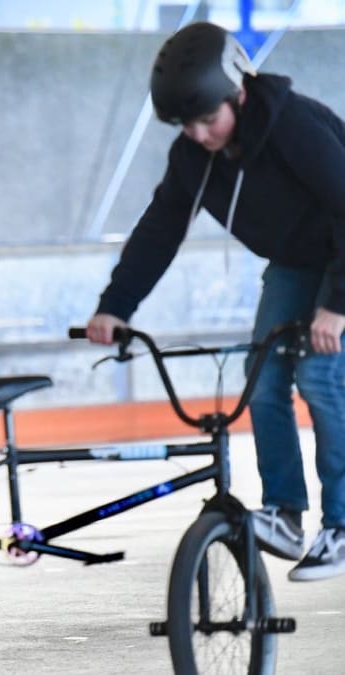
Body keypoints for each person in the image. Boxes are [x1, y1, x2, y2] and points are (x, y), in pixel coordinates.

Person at [84, 22, 345, 581]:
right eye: (186, 125)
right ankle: (285, 513)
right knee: (263, 378)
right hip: (297, 263)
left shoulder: (293, 125)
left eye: (208, 120)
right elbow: (160, 230)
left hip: (342, 258)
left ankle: (342, 525)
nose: (200, 134)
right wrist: (116, 306)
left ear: (239, 94)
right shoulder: (193, 158)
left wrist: (338, 306)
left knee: (321, 379)